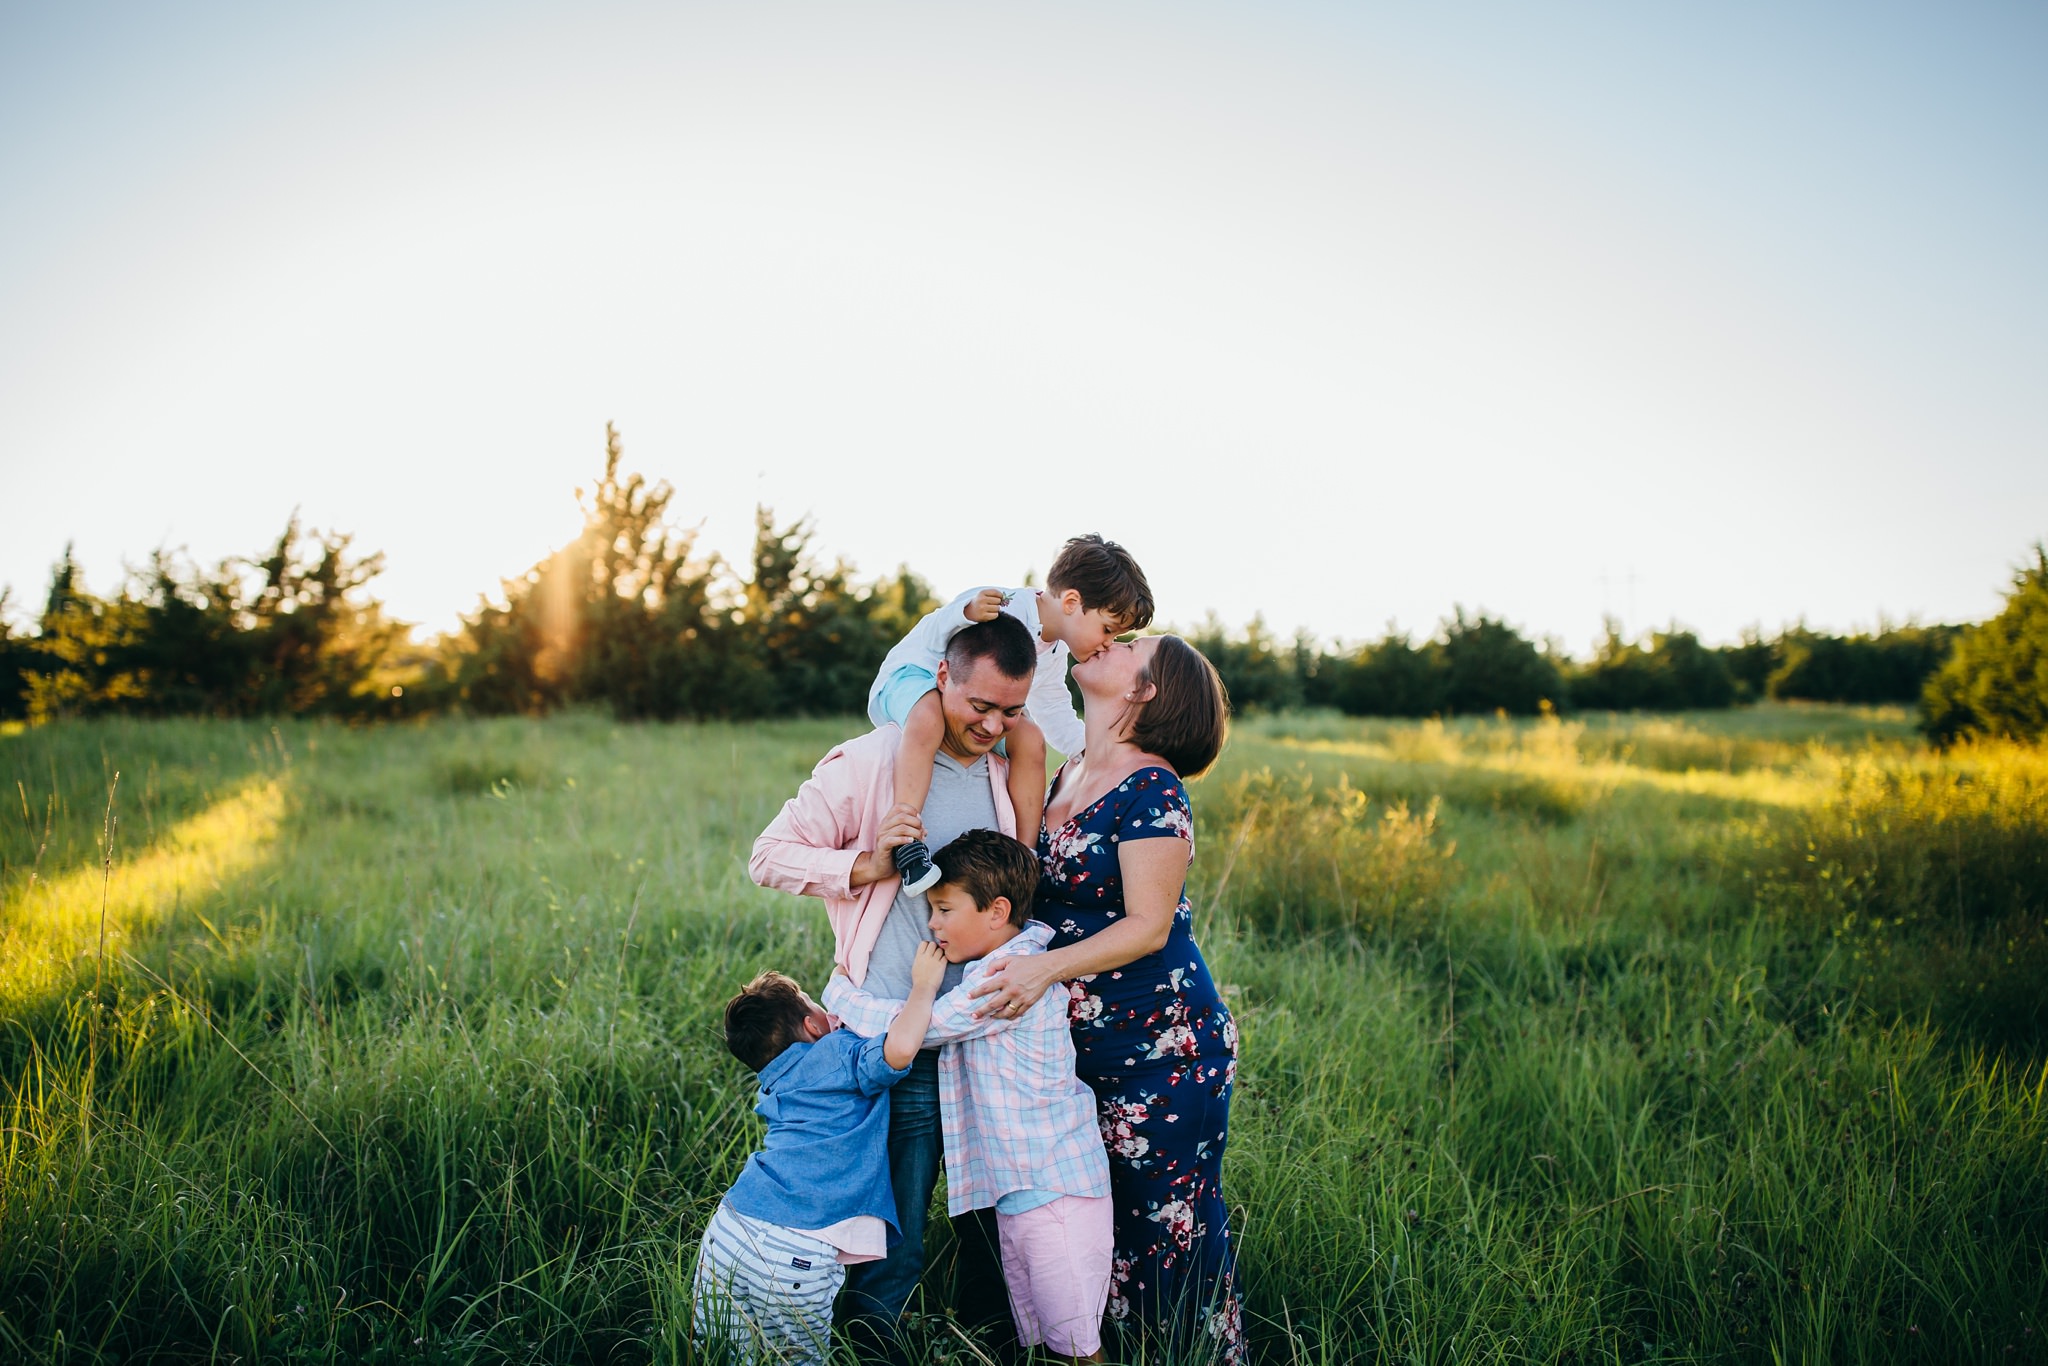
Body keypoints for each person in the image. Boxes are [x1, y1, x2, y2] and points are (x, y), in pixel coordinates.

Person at [748, 614, 1038, 1351]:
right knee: (895, 1220)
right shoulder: (869, 763)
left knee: (995, 1212)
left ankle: (995, 1336)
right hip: (890, 1036)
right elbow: (769, 856)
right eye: (981, 706)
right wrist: (866, 867)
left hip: (987, 1035)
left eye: (1012, 709)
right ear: (942, 679)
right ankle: (877, 1342)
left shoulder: (1008, 773)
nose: (993, 724)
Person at [966, 633, 1245, 1364]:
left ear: (1145, 690)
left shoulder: (1154, 786)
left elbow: (1149, 927)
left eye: (1129, 646)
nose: (1105, 643)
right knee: (1098, 1227)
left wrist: (1042, 971)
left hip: (1164, 1049)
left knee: (1167, 1232)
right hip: (1082, 1055)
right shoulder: (1070, 772)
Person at [824, 829, 1114, 1364]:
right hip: (1023, 1189)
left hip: (1054, 1189)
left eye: (942, 909)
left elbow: (920, 1028)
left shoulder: (1005, 978)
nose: (932, 925)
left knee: (1077, 1349)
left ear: (996, 910)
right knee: (1048, 1344)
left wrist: (839, 992)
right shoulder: (994, 965)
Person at [691, 947, 946, 1366]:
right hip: (797, 1245)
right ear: (813, 1026)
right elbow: (898, 1051)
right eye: (819, 1004)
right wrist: (923, 986)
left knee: (727, 1355)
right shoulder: (835, 1053)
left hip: (730, 1229)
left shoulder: (773, 1078)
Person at [869, 534, 1154, 895]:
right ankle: (907, 842)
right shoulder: (1001, 604)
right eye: (1108, 629)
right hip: (913, 679)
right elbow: (935, 631)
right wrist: (965, 613)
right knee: (928, 715)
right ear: (1071, 601)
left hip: (974, 708)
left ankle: (1025, 854)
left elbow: (1052, 706)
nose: (1109, 643)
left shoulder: (1051, 653)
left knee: (1031, 739)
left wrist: (1094, 749)